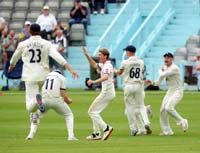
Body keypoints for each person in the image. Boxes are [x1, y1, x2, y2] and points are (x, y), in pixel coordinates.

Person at [8, 23, 79, 140]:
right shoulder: (46, 44)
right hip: (44, 76)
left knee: (30, 107)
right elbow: (57, 56)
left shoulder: (23, 44)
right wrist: (70, 68)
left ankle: (37, 101)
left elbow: (15, 57)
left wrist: (11, 65)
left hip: (30, 77)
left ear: (29, 31)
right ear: (40, 32)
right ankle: (34, 123)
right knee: (38, 108)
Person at [30, 69, 78, 141]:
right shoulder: (61, 77)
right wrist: (68, 101)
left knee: (36, 116)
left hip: (44, 100)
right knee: (69, 115)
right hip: (56, 100)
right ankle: (71, 136)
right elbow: (64, 95)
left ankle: (31, 134)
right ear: (60, 72)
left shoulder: (45, 76)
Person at [114, 45, 152, 136]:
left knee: (129, 108)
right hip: (139, 85)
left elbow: (120, 73)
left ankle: (133, 128)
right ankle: (146, 122)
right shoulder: (141, 62)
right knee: (141, 106)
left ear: (128, 52)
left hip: (129, 85)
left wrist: (113, 70)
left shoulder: (125, 62)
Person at [150, 52, 188, 136]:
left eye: (168, 58)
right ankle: (167, 131)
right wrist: (152, 83)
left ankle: (182, 121)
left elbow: (163, 74)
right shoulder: (164, 68)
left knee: (168, 108)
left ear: (172, 59)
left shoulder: (174, 68)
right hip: (170, 91)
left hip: (178, 91)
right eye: (165, 57)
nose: (166, 59)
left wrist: (159, 70)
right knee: (162, 110)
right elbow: (159, 82)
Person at [82, 47, 115, 140]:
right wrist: (87, 55)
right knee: (94, 112)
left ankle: (106, 128)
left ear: (106, 56)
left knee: (91, 112)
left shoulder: (108, 66)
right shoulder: (104, 65)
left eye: (100, 54)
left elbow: (105, 77)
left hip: (107, 93)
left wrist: (93, 81)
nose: (98, 56)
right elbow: (94, 65)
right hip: (108, 92)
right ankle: (96, 134)